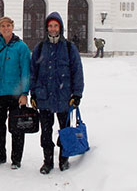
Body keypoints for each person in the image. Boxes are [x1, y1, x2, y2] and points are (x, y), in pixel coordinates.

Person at [30, 11, 84, 174]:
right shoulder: (40, 48)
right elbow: (33, 72)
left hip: (64, 98)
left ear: (60, 28)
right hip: (44, 97)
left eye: (56, 26)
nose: (53, 29)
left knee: (65, 131)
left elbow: (77, 71)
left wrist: (77, 94)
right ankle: (47, 161)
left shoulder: (68, 47)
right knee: (45, 133)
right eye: (50, 26)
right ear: (47, 28)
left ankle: (63, 159)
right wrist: (33, 93)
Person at [0, 16, 31, 170]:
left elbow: (26, 71)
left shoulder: (21, 47)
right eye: (3, 26)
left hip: (15, 95)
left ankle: (16, 159)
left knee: (16, 127)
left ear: (13, 27)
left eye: (8, 25)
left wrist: (25, 93)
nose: (6, 28)